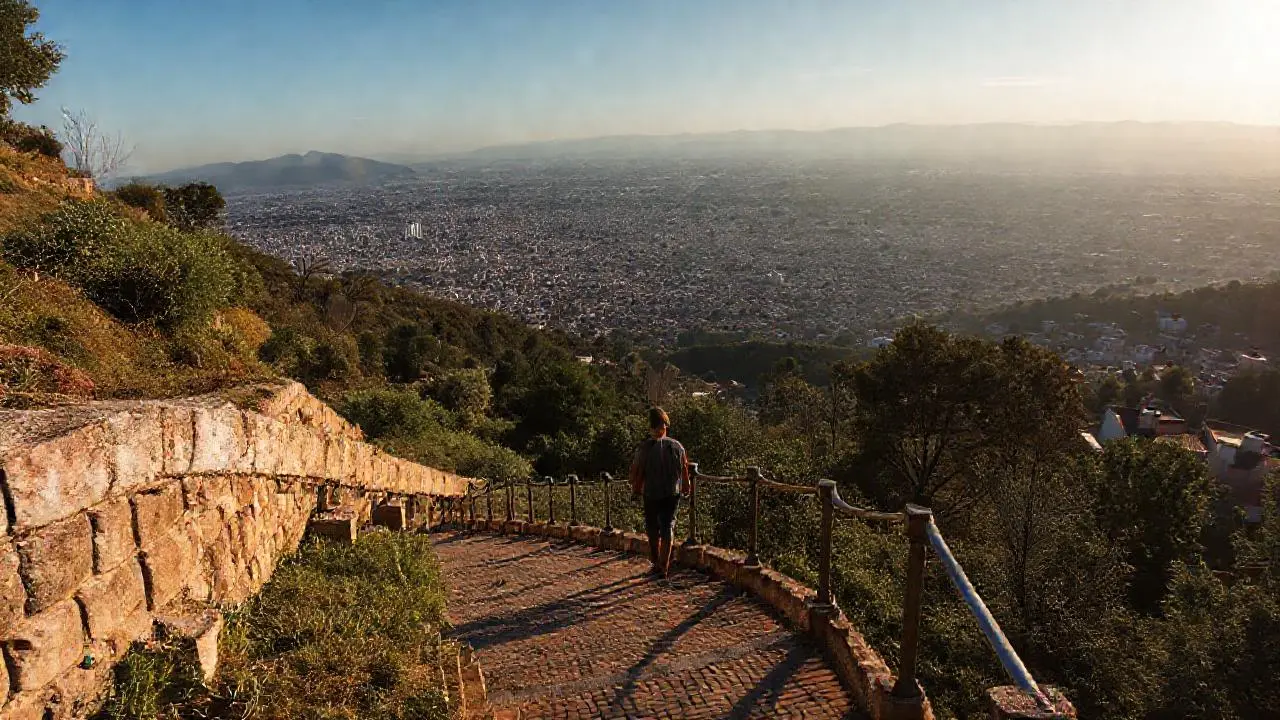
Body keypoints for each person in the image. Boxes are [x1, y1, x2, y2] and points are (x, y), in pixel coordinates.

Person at [629, 406, 690, 578]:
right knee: (667, 526)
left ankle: (656, 561)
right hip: (672, 492)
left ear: (650, 427)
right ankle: (664, 565)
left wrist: (634, 484)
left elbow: (635, 471)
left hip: (651, 493)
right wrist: (686, 487)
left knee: (652, 528)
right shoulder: (678, 446)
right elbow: (685, 470)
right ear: (665, 426)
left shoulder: (645, 448)